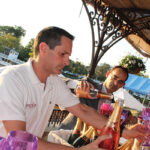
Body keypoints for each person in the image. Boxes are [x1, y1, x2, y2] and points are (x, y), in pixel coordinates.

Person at [0, 26, 146, 150]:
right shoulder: (12, 79)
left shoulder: (53, 81)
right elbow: (19, 138)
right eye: (63, 54)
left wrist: (125, 132)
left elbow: (82, 110)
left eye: (68, 55)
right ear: (44, 49)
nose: (67, 61)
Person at [58, 66, 129, 129]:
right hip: (68, 131)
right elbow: (59, 81)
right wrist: (76, 85)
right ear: (107, 74)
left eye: (120, 82)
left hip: (89, 141)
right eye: (114, 77)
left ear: (122, 85)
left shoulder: (114, 105)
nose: (116, 83)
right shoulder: (90, 85)